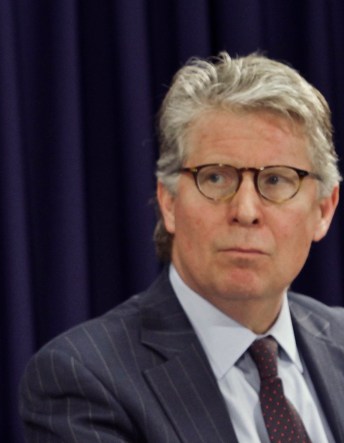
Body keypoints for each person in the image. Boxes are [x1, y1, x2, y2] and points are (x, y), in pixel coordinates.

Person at [20, 52, 344, 442]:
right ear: (168, 202)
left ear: (323, 209)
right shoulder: (83, 377)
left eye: (276, 180)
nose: (245, 211)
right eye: (216, 178)